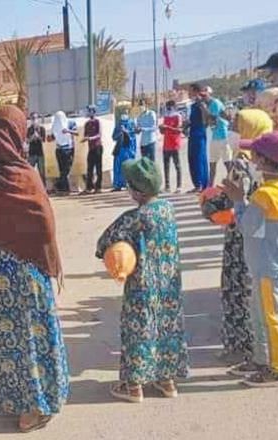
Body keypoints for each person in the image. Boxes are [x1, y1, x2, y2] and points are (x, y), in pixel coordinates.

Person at [0, 105, 69, 433]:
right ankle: (38, 401)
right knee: (30, 337)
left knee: (10, 339)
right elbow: (45, 227)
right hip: (29, 279)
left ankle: (28, 403)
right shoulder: (28, 176)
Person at [96, 157, 189, 402]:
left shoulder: (133, 218)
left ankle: (133, 386)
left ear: (136, 192)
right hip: (169, 285)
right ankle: (166, 382)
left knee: (138, 330)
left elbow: (103, 243)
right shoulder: (168, 209)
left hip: (142, 286)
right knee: (166, 328)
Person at [222, 132, 278, 387]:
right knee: (260, 315)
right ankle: (260, 359)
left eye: (255, 157)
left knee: (268, 318)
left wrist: (238, 200)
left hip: (266, 268)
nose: (252, 163)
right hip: (267, 265)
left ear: (266, 162)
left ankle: (273, 367)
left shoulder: (264, 196)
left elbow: (246, 226)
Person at [201, 158, 257, 366]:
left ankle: (243, 347)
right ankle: (246, 346)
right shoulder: (254, 176)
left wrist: (207, 201)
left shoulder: (241, 174)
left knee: (238, 296)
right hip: (253, 248)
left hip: (240, 248)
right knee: (245, 297)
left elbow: (213, 207)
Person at [187, 83, 210, 192]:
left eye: (190, 91)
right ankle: (197, 184)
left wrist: (202, 105)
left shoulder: (201, 103)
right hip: (192, 132)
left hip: (199, 132)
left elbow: (206, 118)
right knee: (192, 158)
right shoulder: (193, 104)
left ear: (196, 91)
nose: (189, 93)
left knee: (199, 158)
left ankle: (201, 184)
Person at [160, 100, 184, 193]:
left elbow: (179, 130)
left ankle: (179, 186)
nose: (168, 108)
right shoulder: (166, 117)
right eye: (167, 107)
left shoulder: (178, 116)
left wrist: (167, 127)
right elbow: (163, 132)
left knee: (177, 165)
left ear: (174, 106)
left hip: (174, 144)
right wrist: (161, 128)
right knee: (166, 166)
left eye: (169, 106)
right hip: (166, 144)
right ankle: (167, 186)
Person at [208, 94, 232, 186]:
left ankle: (232, 185)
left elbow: (213, 120)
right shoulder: (210, 105)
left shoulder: (215, 103)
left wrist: (206, 112)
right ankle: (210, 187)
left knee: (227, 163)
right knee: (212, 164)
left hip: (223, 137)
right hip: (215, 138)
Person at [51, 111, 77, 193]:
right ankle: (64, 188)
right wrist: (49, 138)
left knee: (66, 169)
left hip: (69, 149)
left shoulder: (70, 123)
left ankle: (59, 185)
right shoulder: (55, 125)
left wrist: (68, 131)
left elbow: (76, 133)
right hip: (59, 149)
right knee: (62, 170)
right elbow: (52, 137)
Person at [111, 112, 137, 191]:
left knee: (129, 167)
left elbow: (133, 136)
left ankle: (128, 184)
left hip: (129, 149)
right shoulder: (118, 124)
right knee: (118, 167)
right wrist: (120, 133)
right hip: (119, 149)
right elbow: (114, 137)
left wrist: (126, 132)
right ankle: (117, 185)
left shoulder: (131, 123)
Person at [82, 105, 103, 193]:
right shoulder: (87, 124)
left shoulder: (97, 122)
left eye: (90, 111)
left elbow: (99, 134)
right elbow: (85, 135)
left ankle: (98, 187)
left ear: (94, 112)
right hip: (90, 148)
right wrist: (85, 138)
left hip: (97, 147)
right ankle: (89, 187)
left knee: (98, 168)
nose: (89, 113)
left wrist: (90, 138)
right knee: (89, 168)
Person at [27, 112, 47, 183]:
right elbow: (27, 141)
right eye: (32, 118)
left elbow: (44, 140)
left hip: (40, 153)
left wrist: (38, 136)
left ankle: (43, 188)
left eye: (35, 118)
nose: (34, 120)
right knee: (29, 171)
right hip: (31, 153)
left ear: (38, 119)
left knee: (42, 172)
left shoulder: (42, 129)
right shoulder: (29, 130)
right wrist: (32, 137)